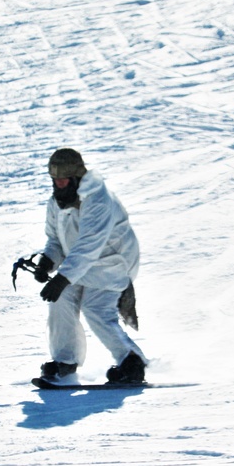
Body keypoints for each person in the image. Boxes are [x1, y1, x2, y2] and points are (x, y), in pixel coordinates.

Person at [26, 148, 147, 385]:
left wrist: (62, 278)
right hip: (78, 265)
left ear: (76, 178)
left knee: (95, 309)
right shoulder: (57, 202)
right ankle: (65, 363)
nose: (58, 185)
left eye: (63, 180)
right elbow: (55, 240)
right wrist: (48, 261)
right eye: (55, 180)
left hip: (112, 263)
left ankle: (132, 362)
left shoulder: (99, 201)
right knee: (59, 300)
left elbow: (89, 246)